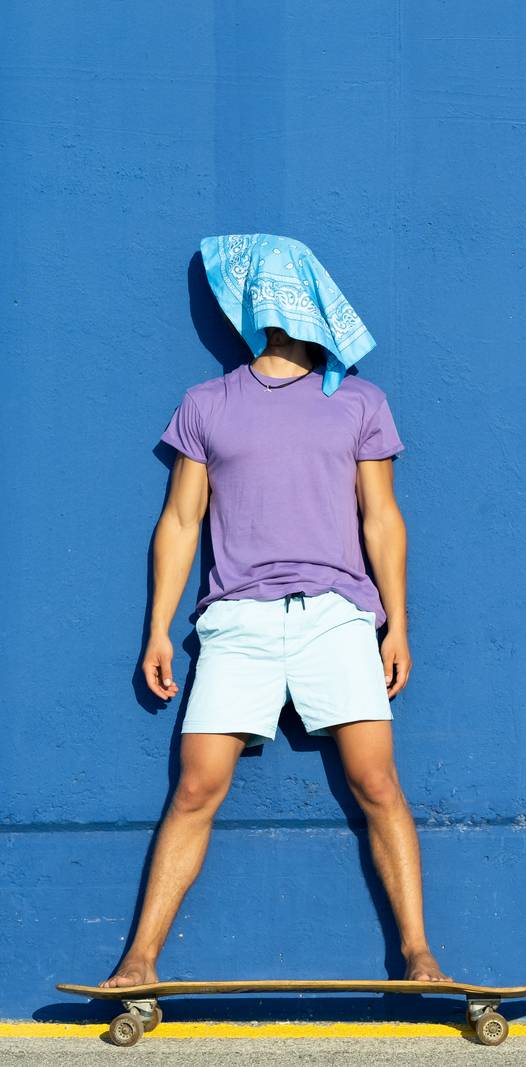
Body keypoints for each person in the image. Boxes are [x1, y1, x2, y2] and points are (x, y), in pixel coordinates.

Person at [102, 238, 449, 988]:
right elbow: (181, 521)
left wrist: (398, 622)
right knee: (196, 786)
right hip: (237, 621)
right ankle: (137, 961)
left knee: (378, 782)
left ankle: (420, 955)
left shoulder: (360, 400)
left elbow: (382, 519)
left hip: (337, 616)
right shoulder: (207, 403)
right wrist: (158, 628)